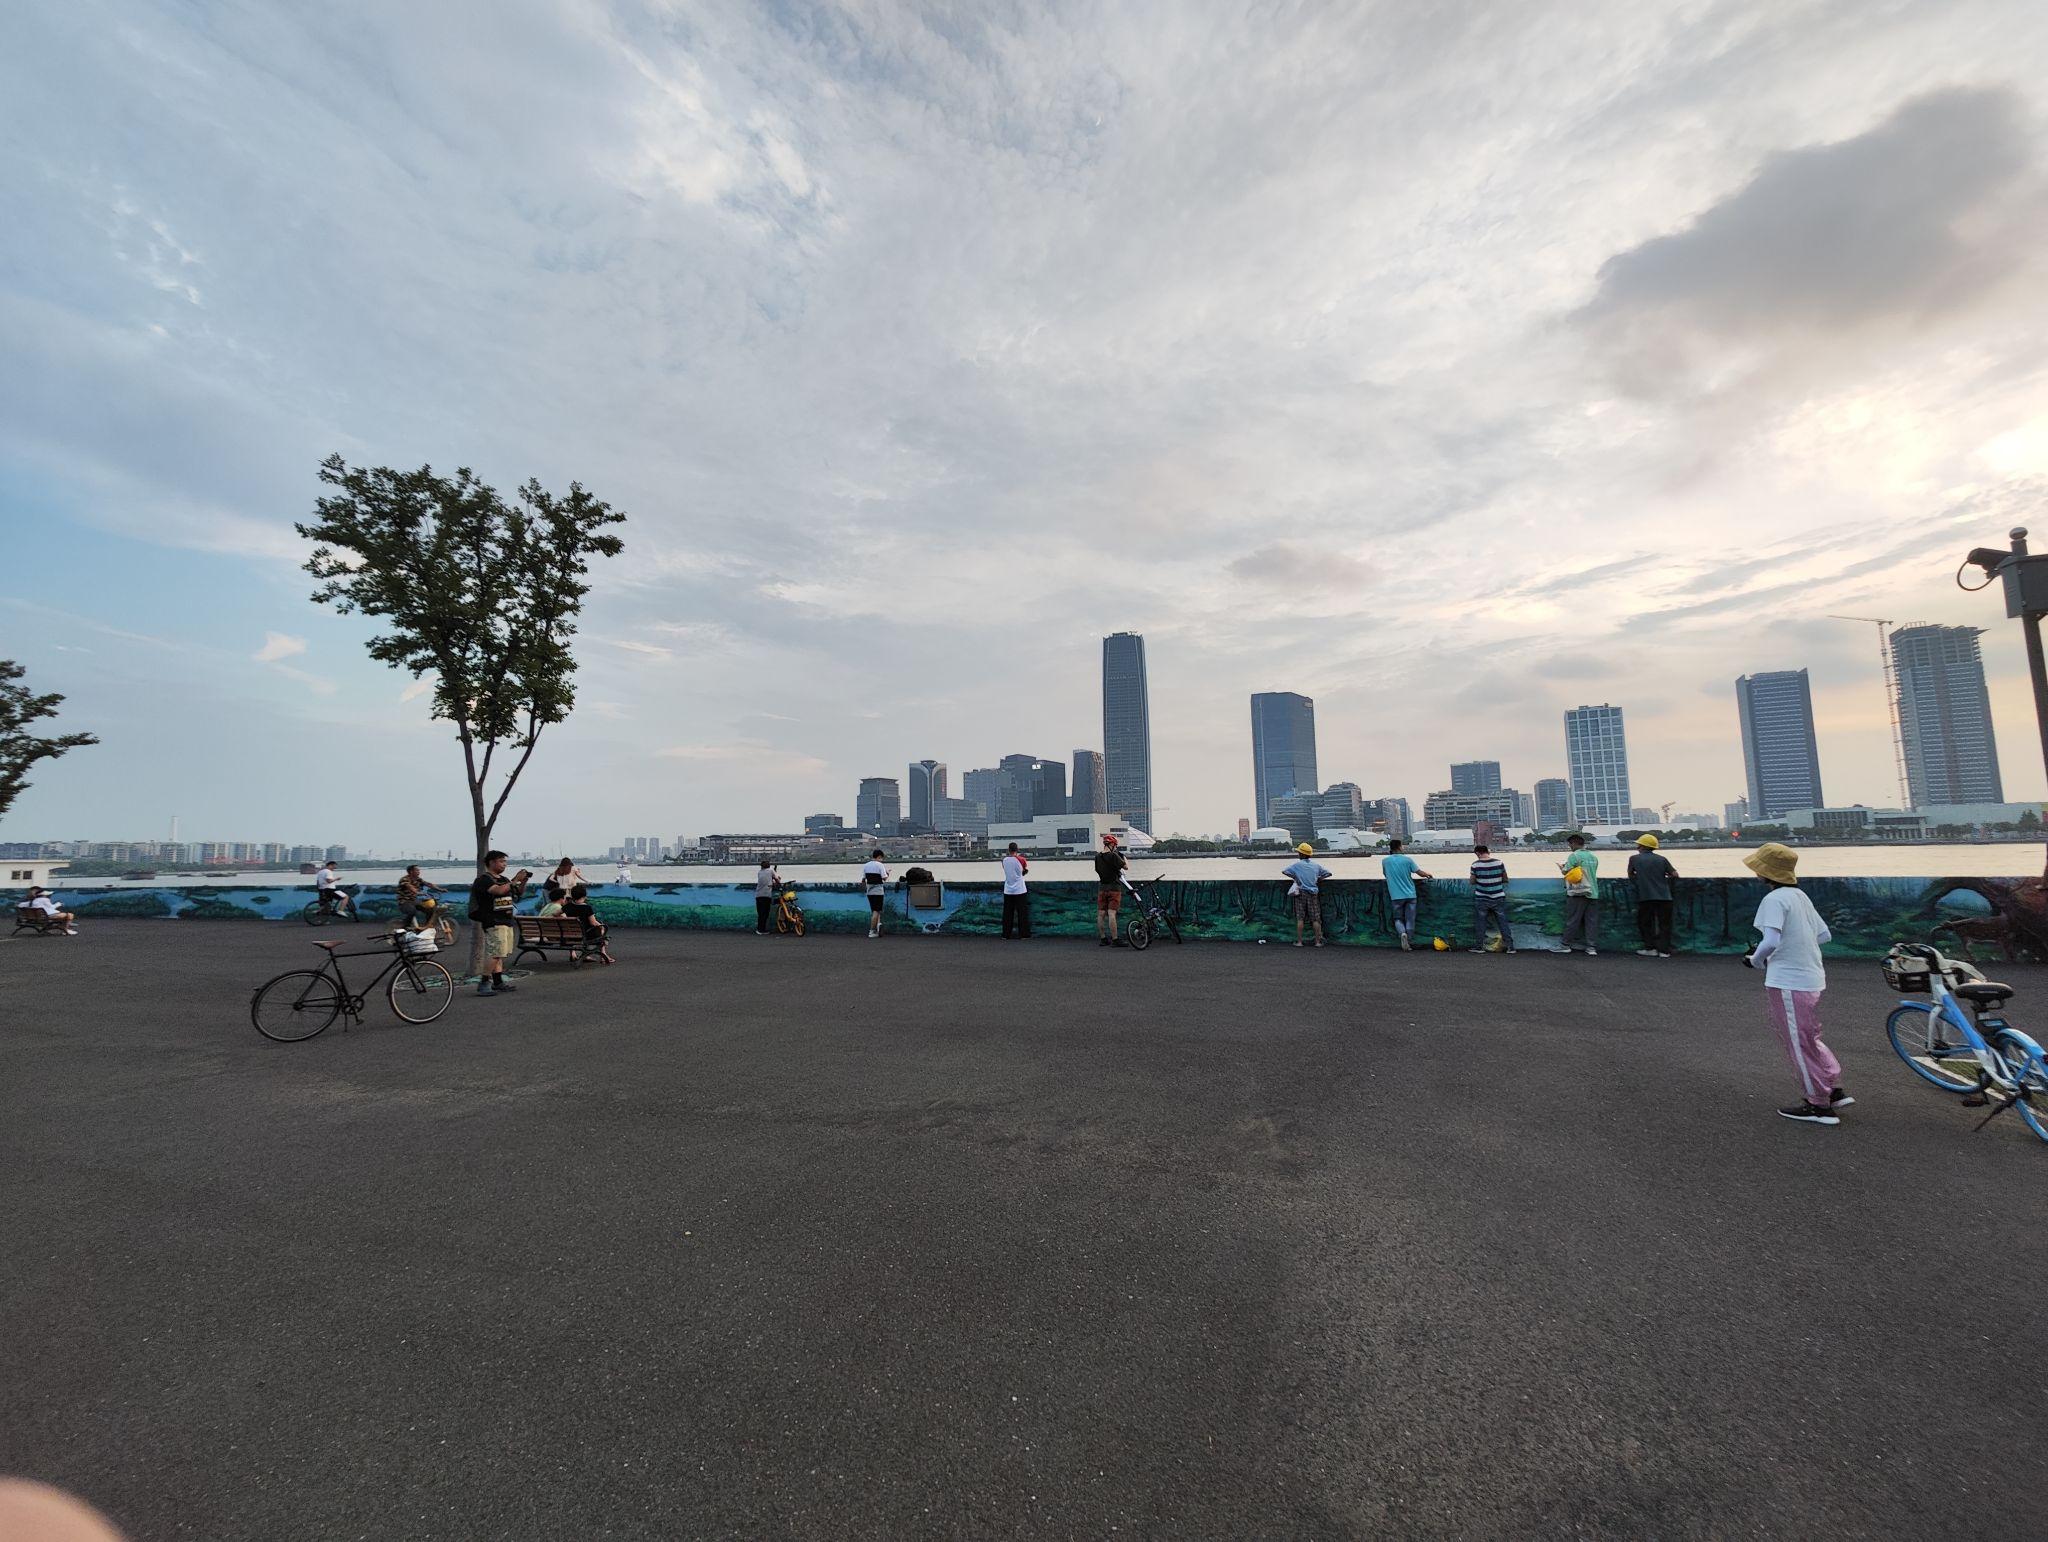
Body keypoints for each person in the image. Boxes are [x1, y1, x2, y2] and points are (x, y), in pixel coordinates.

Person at [1741, 842, 1848, 1125]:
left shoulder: (1774, 900)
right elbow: (1823, 935)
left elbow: (1771, 940)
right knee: (1809, 1037)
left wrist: (1755, 960)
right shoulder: (1800, 896)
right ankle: (1831, 1087)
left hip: (1787, 981)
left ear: (1765, 872)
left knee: (1797, 1044)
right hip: (1811, 977)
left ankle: (1818, 1105)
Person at [467, 850, 531, 996]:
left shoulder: (504, 879)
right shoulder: (484, 879)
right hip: (493, 920)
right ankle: (483, 983)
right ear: (491, 862)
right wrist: (515, 880)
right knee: (495, 952)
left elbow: (517, 893)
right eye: (501, 861)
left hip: (505, 919)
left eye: (505, 862)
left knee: (500, 953)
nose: (504, 864)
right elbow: (499, 891)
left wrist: (523, 881)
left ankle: (498, 982)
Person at [1628, 834, 1678, 958]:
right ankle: (1664, 951)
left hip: (1646, 897)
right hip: (1665, 897)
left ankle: (1650, 948)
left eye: (1638, 844)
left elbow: (1631, 875)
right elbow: (1675, 874)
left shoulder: (1634, 859)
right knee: (1664, 924)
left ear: (1642, 846)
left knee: (1645, 923)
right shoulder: (1662, 859)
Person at [1381, 838, 1431, 951]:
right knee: (1410, 919)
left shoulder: (1385, 861)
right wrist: (1428, 874)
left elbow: (1385, 874)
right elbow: (1419, 872)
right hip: (1410, 894)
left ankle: (1402, 933)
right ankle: (1409, 941)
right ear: (1399, 847)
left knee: (1398, 918)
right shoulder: (1408, 860)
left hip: (1395, 895)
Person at [1282, 842, 1333, 948]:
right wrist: (1319, 879)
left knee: (1300, 918)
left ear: (1301, 854)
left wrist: (1296, 878)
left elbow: (1285, 871)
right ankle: (1318, 942)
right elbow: (1328, 873)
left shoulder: (1297, 865)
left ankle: (1300, 942)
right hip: (1313, 893)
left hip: (1300, 893)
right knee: (1315, 918)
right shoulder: (1316, 865)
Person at [1468, 843, 1514, 954]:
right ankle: (1510, 947)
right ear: (1488, 851)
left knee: (1481, 923)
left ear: (1478, 853)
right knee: (1502, 922)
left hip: (1482, 897)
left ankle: (1479, 947)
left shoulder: (1475, 865)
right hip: (1498, 896)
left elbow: (1472, 881)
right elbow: (1505, 879)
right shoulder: (1499, 863)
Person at [1558, 834, 1600, 955]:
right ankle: (1591, 947)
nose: (1570, 847)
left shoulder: (1574, 856)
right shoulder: (1593, 856)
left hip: (1578, 893)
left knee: (1573, 920)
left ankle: (1565, 945)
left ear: (1574, 843)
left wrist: (1561, 867)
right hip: (1593, 892)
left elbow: (1566, 871)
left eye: (1570, 844)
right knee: (1591, 921)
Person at [562, 883, 614, 964]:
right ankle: (603, 955)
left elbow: (555, 913)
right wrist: (601, 926)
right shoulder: (587, 907)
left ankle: (574, 954)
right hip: (585, 935)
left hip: (571, 935)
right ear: (584, 896)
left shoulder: (567, 906)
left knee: (596, 928)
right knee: (601, 930)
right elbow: (593, 923)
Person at [1094, 833, 1130, 946]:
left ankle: (1103, 939)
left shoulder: (1097, 857)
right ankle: (1115, 939)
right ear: (1112, 845)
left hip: (1102, 888)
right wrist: (1124, 857)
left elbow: (1097, 870)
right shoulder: (1114, 856)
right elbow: (1126, 867)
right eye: (1115, 846)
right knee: (1112, 913)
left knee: (1101, 914)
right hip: (1114, 888)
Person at [1001, 842, 1033, 939]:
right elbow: (1023, 871)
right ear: (1017, 849)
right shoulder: (1021, 859)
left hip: (1008, 890)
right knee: (1022, 913)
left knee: (1007, 913)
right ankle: (1024, 934)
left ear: (1008, 850)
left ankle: (1006, 934)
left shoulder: (1004, 860)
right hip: (1020, 889)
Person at [861, 849, 891, 938]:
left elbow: (863, 879)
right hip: (878, 891)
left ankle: (878, 926)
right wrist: (888, 873)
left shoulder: (866, 865)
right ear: (879, 857)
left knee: (874, 910)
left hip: (869, 891)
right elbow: (884, 878)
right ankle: (872, 931)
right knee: (877, 910)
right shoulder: (880, 865)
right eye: (881, 858)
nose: (882, 860)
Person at [754, 856, 781, 935]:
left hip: (758, 895)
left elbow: (766, 880)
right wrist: (777, 879)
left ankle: (760, 929)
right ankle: (762, 930)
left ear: (761, 866)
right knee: (765, 913)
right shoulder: (770, 871)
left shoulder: (759, 872)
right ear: (769, 866)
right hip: (766, 895)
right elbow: (777, 880)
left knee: (760, 913)